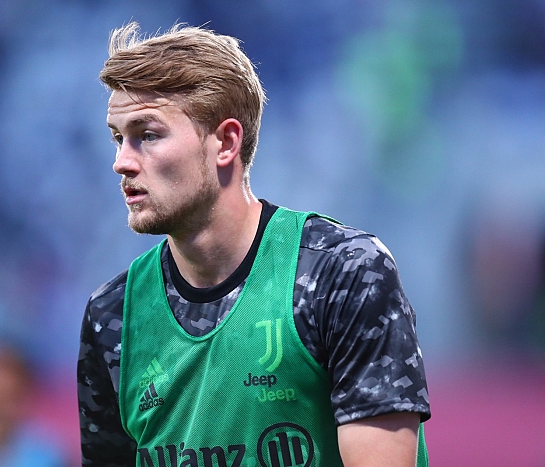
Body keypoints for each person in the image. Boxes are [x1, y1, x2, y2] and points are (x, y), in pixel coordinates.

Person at [77, 22, 430, 467]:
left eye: (147, 134)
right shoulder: (112, 317)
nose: (121, 162)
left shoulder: (344, 274)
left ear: (226, 142)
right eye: (118, 138)